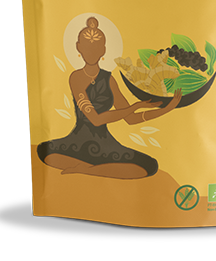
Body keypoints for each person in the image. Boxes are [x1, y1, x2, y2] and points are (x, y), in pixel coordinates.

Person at [37, 17, 182, 179]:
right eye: (87, 47)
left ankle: (87, 169)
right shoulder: (76, 78)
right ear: (79, 47)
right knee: (44, 151)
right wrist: (134, 106)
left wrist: (167, 109)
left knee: (149, 166)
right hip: (76, 143)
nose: (91, 52)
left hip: (105, 144)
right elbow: (95, 119)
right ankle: (98, 168)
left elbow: (131, 119)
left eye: (96, 48)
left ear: (103, 50)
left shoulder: (109, 80)